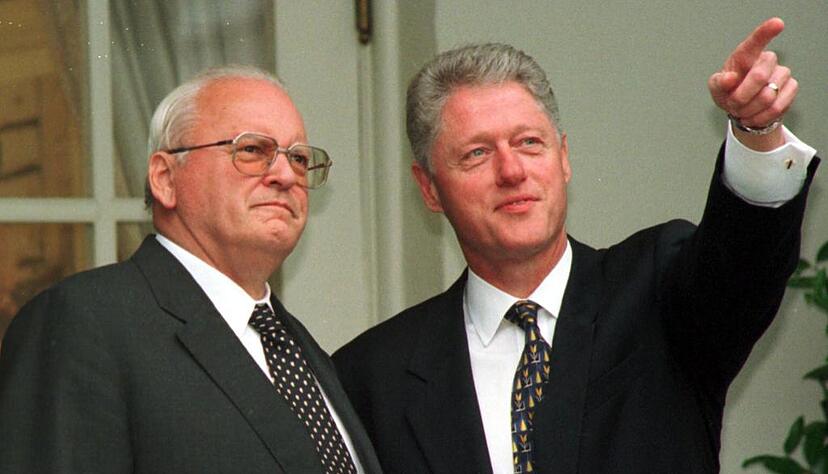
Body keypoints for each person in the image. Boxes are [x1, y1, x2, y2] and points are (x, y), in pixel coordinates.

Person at [333, 18, 819, 474]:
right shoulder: (372, 378)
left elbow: (743, 263)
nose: (512, 171)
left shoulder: (657, 293)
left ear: (563, 158)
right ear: (430, 188)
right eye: (477, 153)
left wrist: (757, 132)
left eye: (528, 143)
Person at [0, 66, 381, 474]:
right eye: (252, 150)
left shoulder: (302, 351)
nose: (287, 175)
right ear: (165, 179)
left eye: (300, 158)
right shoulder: (83, 322)